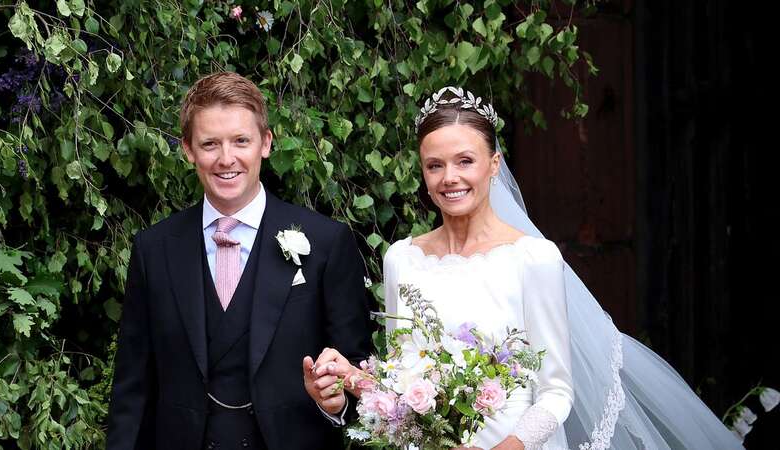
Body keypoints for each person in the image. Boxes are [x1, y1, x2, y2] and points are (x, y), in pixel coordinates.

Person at [309, 86, 744, 449]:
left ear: (494, 165)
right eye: (434, 165)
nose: (449, 178)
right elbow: (405, 385)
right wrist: (350, 380)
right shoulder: (402, 259)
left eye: (465, 161)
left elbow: (556, 392)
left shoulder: (532, 258)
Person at [107, 71, 372, 450]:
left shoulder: (327, 243)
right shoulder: (155, 249)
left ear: (265, 143)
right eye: (210, 144)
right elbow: (131, 387)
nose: (226, 158)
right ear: (188, 149)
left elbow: (356, 372)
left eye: (241, 141)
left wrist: (337, 402)